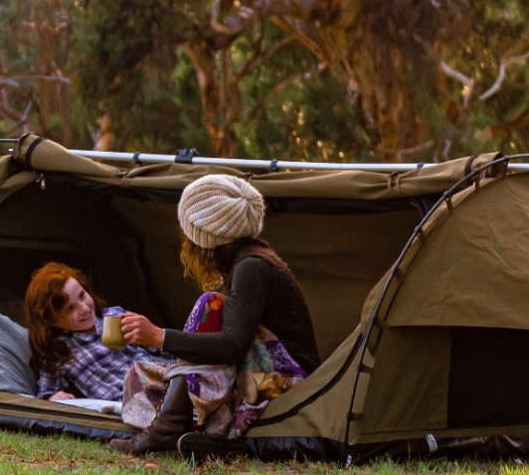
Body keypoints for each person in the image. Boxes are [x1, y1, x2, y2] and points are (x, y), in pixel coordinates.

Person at [105, 174, 319, 454]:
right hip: (252, 380)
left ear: (203, 234)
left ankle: (165, 431)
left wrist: (159, 337)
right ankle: (197, 433)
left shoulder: (252, 267)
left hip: (286, 384)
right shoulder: (246, 261)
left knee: (210, 305)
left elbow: (231, 346)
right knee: (139, 375)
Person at [23, 263, 162, 402]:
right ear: (51, 320)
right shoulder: (58, 352)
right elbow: (46, 391)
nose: (84, 308)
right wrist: (53, 396)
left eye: (82, 295)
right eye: (70, 308)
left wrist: (151, 334)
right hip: (132, 400)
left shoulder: (115, 315)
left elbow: (158, 345)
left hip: (161, 380)